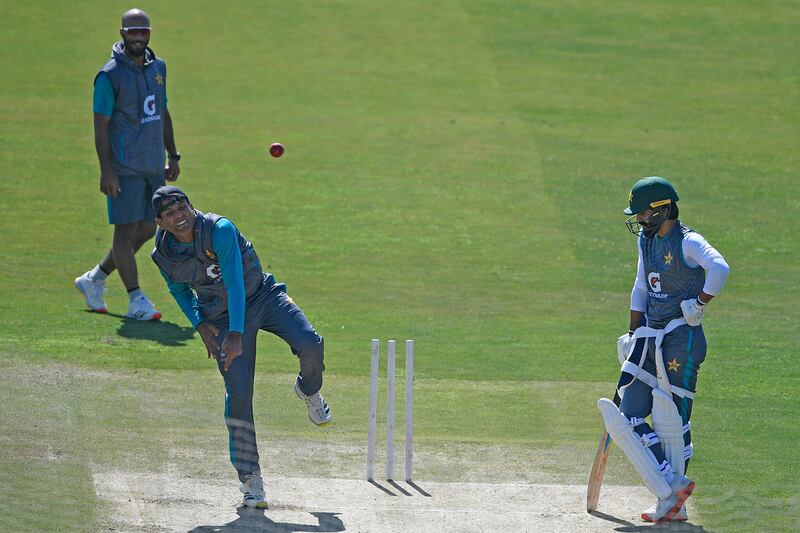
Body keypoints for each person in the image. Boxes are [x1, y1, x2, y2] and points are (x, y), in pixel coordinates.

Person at [149, 186, 332, 508]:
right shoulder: (162, 254)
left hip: (261, 296)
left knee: (310, 344)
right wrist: (200, 324)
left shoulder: (219, 230)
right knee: (239, 394)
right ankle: (250, 479)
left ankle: (308, 389)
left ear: (191, 206)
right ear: (160, 221)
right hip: (217, 315)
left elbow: (234, 280)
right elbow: (179, 289)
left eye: (182, 208)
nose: (179, 217)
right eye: (170, 214)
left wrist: (236, 333)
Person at [597, 176, 729, 523]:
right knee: (631, 413)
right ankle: (671, 485)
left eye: (641, 214)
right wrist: (632, 332)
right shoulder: (646, 240)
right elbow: (641, 286)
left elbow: (719, 268)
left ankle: (673, 504)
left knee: (673, 419)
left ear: (663, 210)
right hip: (650, 335)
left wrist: (699, 304)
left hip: (681, 339)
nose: (638, 220)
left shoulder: (689, 241)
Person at [75, 8, 180, 321]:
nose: (137, 36)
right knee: (124, 233)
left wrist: (172, 154)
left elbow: (162, 112)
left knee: (149, 226)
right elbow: (101, 126)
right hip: (124, 168)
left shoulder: (157, 67)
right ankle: (136, 299)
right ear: (122, 33)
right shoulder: (109, 76)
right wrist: (107, 170)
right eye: (132, 31)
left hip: (152, 165)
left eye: (142, 31)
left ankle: (94, 279)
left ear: (149, 34)